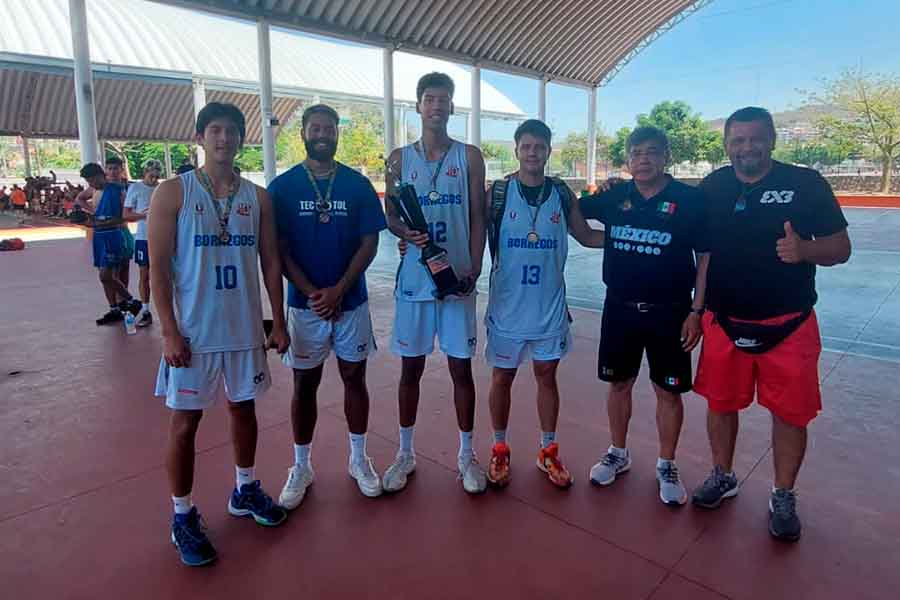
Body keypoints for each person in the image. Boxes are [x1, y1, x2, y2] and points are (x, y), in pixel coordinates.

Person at [691, 107, 851, 541]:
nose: (746, 148)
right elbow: (698, 249)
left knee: (789, 414)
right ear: (726, 145)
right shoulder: (713, 186)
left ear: (773, 140)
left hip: (789, 323)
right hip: (723, 321)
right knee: (720, 405)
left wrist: (805, 251)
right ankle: (723, 475)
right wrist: (695, 310)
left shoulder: (805, 184)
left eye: (755, 139)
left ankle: (783, 493)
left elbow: (841, 246)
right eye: (737, 140)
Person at [149, 102, 290, 567]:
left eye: (232, 131)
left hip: (244, 329)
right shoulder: (173, 193)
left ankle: (244, 488)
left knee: (243, 409)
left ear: (242, 137)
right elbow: (158, 273)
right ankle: (182, 515)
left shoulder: (258, 197)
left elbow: (271, 263)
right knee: (185, 423)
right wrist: (169, 331)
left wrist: (279, 321)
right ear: (200, 136)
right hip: (193, 334)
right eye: (215, 131)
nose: (224, 139)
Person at [580, 126, 710, 506]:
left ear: (666, 156)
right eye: (636, 153)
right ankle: (618, 453)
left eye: (652, 152)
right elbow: (574, 211)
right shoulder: (615, 195)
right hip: (619, 307)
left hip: (670, 311)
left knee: (667, 391)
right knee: (618, 384)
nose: (643, 159)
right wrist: (596, 230)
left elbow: (705, 258)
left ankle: (666, 463)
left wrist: (696, 311)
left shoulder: (689, 200)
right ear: (627, 159)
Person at [268, 104, 387, 507]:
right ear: (302, 133)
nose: (322, 133)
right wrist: (315, 292)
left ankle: (358, 458)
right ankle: (301, 465)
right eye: (315, 127)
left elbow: (370, 242)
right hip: (304, 307)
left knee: (355, 380)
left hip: (351, 302)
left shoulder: (356, 184)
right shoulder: (282, 188)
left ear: (338, 134)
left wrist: (339, 289)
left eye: (329, 128)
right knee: (305, 385)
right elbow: (278, 250)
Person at [482, 119, 605, 489]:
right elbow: (469, 230)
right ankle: (499, 447)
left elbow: (584, 235)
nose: (533, 153)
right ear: (516, 150)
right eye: (526, 146)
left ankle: (547, 450)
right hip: (507, 307)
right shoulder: (499, 194)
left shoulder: (561, 194)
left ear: (549, 152)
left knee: (546, 376)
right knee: (502, 376)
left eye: (540, 147)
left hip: (549, 307)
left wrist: (633, 237)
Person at [382, 72, 488, 494]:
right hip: (414, 282)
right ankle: (405, 453)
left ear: (452, 107)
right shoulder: (397, 159)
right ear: (418, 105)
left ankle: (467, 455)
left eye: (444, 100)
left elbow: (479, 216)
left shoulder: (470, 157)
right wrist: (404, 234)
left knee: (462, 368)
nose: (437, 106)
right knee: (411, 368)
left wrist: (475, 266)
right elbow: (391, 216)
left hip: (457, 279)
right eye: (430, 99)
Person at [78, 163, 143, 325]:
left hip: (114, 235)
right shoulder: (94, 190)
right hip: (100, 237)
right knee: (105, 277)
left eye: (92, 180)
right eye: (88, 181)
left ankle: (130, 301)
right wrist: (90, 216)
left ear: (101, 175)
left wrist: (94, 223)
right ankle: (114, 307)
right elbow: (81, 200)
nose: (90, 183)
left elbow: (122, 217)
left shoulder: (116, 190)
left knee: (108, 275)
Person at [124, 159, 162, 327]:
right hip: (143, 238)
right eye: (151, 176)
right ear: (145, 173)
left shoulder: (162, 189)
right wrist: (145, 215)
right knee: (144, 274)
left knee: (164, 275)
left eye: (157, 176)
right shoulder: (136, 188)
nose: (154, 179)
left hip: (162, 238)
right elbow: (126, 215)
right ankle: (146, 310)